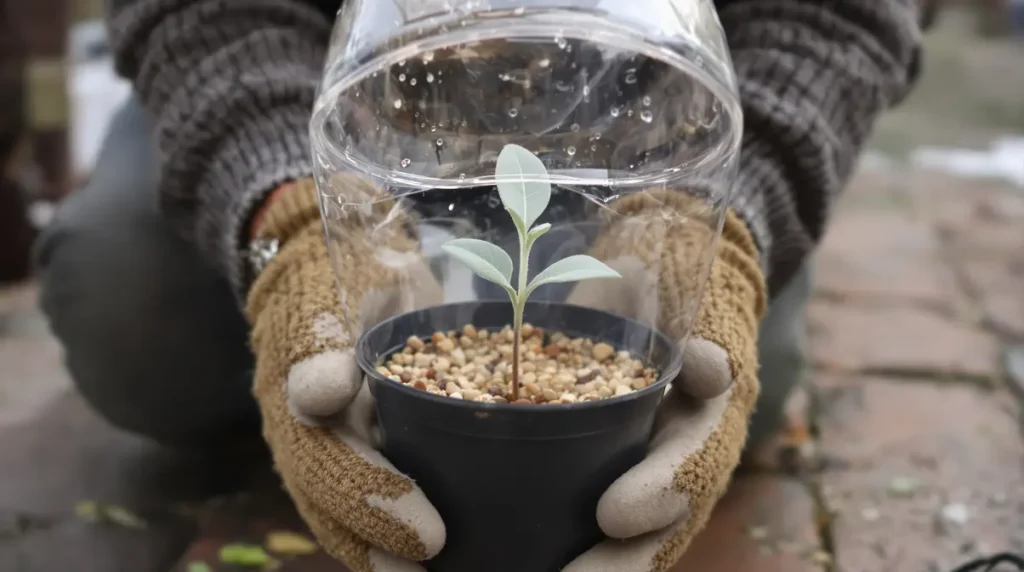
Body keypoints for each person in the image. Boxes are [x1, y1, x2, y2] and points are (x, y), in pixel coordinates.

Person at [35, 1, 924, 571]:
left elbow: (836, 22)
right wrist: (292, 229)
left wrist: (723, 234)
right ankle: (308, 422)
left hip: (646, 124)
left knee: (712, 379)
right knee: (129, 308)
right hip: (311, 85)